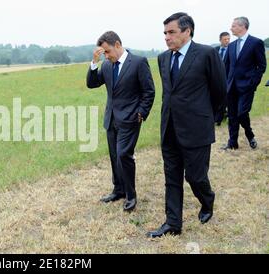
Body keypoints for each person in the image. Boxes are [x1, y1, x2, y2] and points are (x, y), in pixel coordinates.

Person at [147, 13, 226, 238]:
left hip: (196, 130)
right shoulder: (163, 58)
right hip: (169, 128)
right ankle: (173, 223)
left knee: (195, 176)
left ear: (187, 31)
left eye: (171, 32)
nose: (166, 37)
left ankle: (207, 200)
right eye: (165, 33)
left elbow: (219, 90)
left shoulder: (206, 54)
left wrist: (204, 117)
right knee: (171, 177)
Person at [86, 31, 155, 212]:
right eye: (104, 53)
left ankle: (131, 196)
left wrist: (141, 113)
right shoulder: (107, 66)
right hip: (111, 119)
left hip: (131, 119)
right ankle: (118, 190)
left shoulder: (139, 62)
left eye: (107, 52)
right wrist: (94, 63)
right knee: (115, 156)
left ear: (117, 44)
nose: (106, 56)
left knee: (124, 154)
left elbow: (149, 91)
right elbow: (92, 84)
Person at [222, 17, 267, 150]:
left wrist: (253, 83)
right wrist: (225, 84)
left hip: (247, 86)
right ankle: (232, 143)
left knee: (242, 113)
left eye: (234, 26)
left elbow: (262, 66)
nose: (231, 29)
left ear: (242, 26)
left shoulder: (256, 43)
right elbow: (226, 67)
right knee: (232, 115)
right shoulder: (231, 46)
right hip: (231, 87)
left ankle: (250, 135)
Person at [214, 32, 231, 126]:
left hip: (228, 79)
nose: (227, 41)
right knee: (216, 98)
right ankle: (218, 116)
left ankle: (219, 120)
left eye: (228, 39)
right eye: (225, 39)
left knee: (225, 99)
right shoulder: (214, 50)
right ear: (220, 40)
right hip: (215, 79)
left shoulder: (232, 50)